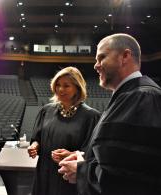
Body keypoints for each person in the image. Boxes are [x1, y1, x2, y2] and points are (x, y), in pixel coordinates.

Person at [58, 33, 161, 195]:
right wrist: (83, 155)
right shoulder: (128, 96)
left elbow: (131, 177)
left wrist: (82, 171)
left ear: (125, 56)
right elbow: (117, 156)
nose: (96, 65)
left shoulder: (142, 97)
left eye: (102, 57)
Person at [27, 66, 100, 195]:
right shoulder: (46, 110)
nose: (60, 89)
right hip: (45, 171)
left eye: (66, 86)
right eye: (58, 85)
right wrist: (34, 146)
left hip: (69, 176)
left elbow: (91, 152)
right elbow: (38, 137)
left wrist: (72, 154)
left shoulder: (91, 116)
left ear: (77, 88)